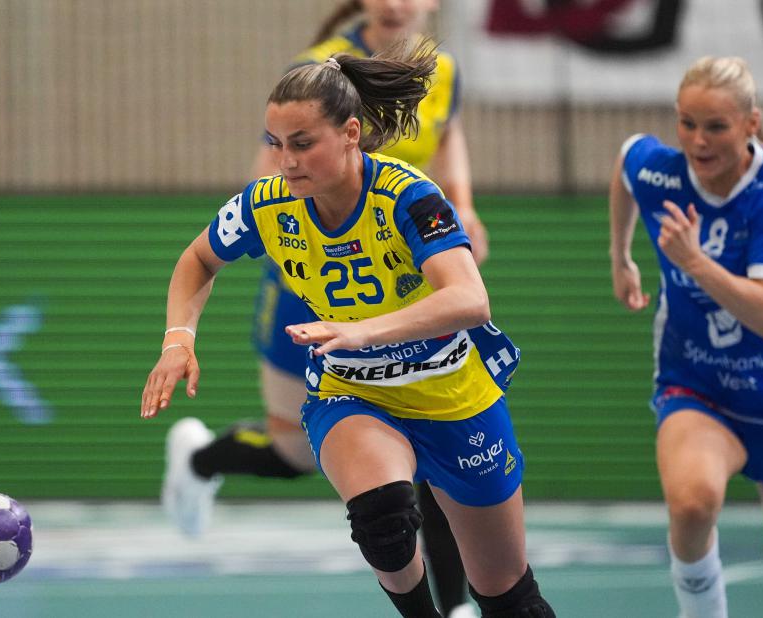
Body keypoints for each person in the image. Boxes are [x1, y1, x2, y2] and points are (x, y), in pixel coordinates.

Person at [142, 40, 555, 618]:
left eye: (302, 143)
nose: (286, 161)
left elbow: (470, 299)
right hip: (353, 391)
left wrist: (366, 331)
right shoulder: (267, 205)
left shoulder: (409, 197)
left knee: (508, 596)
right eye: (275, 143)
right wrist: (178, 339)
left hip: (453, 393)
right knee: (383, 516)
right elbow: (197, 260)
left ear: (351, 134)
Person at [608, 55, 763, 618]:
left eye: (715, 126)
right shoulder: (662, 173)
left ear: (750, 124)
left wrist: (695, 263)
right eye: (687, 123)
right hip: (697, 382)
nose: (697, 140)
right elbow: (625, 161)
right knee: (691, 506)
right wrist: (620, 256)